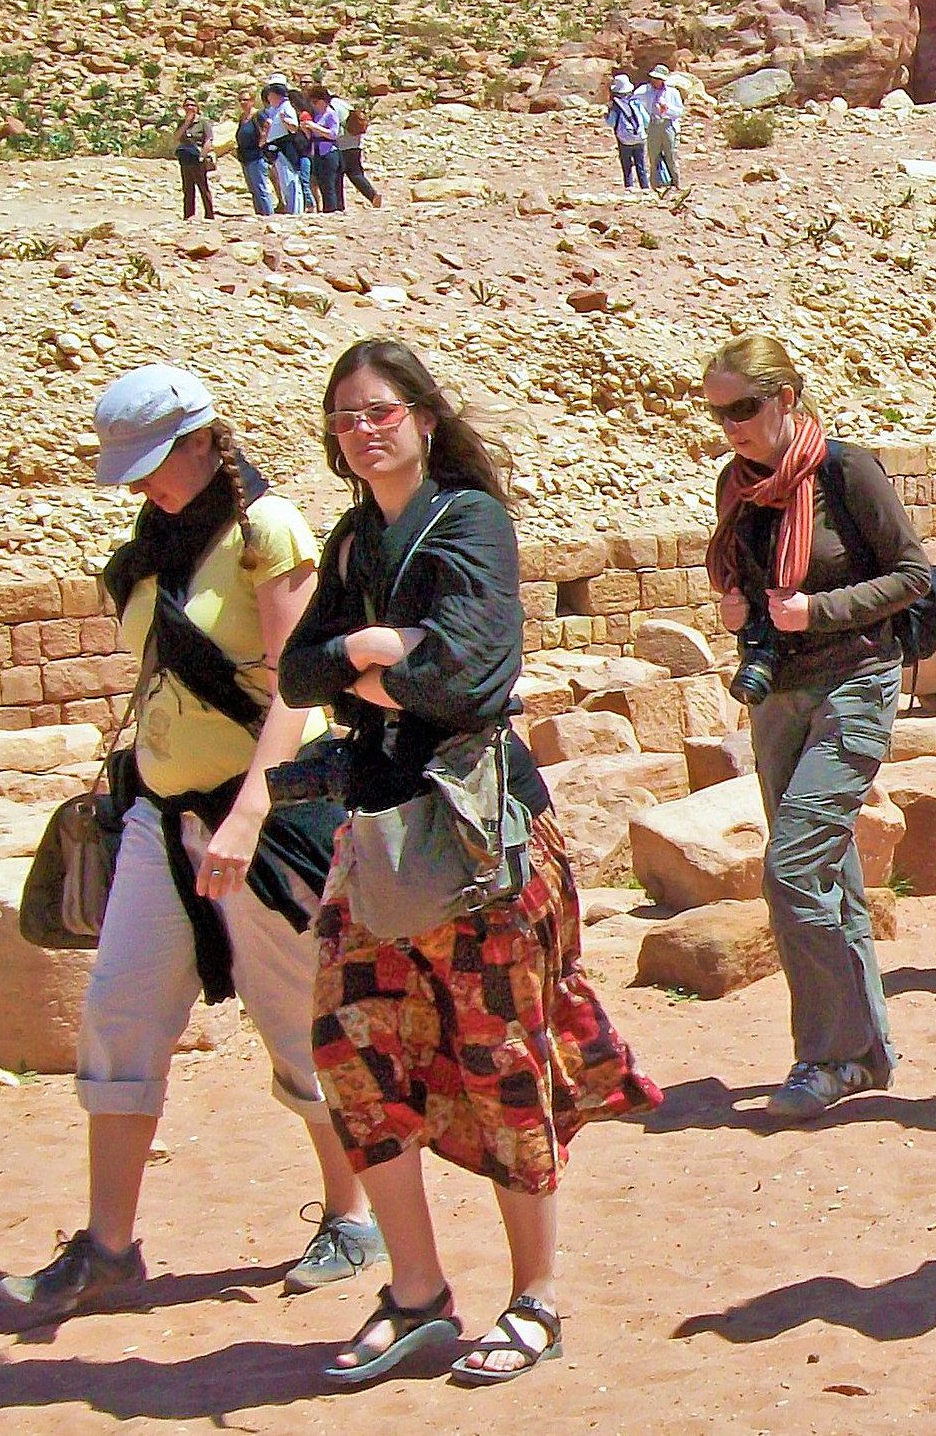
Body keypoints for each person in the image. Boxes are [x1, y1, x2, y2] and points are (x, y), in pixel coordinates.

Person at [282, 340, 659, 1384]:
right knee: (347, 1043)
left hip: (477, 838)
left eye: (381, 413)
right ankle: (415, 1292)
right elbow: (298, 668)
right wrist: (373, 654)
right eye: (347, 416)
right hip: (382, 837)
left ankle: (534, 1297)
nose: (365, 431)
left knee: (501, 1051)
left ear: (425, 419)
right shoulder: (356, 537)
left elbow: (471, 677)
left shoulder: (470, 522)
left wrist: (370, 664)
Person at [3, 366, 378, 1320]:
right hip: (159, 816)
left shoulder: (270, 530)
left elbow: (298, 687)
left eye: (151, 465)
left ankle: (353, 1213)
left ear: (205, 440)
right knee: (120, 1011)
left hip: (269, 818)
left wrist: (251, 811)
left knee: (296, 1018)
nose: (138, 487)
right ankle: (107, 1246)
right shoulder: (151, 551)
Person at [705, 333, 931, 1118]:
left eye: (745, 407)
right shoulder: (740, 485)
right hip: (778, 694)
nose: (731, 424)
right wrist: (738, 607)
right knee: (831, 876)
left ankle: (828, 1055)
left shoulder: (845, 470)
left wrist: (818, 610)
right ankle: (866, 1054)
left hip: (854, 681)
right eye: (719, 411)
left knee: (792, 869)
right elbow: (747, 579)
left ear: (787, 398)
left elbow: (913, 574)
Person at [260, 79, 304, 215]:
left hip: (285, 146)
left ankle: (295, 211)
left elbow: (294, 127)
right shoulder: (275, 109)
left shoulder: (286, 108)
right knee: (284, 181)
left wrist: (286, 121)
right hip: (277, 147)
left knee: (290, 179)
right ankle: (291, 209)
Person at [335, 93, 383, 208]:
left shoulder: (332, 107)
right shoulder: (343, 104)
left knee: (337, 176)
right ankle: (372, 195)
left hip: (342, 145)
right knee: (356, 174)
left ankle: (339, 205)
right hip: (355, 143)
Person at [303, 88, 345, 213]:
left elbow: (333, 133)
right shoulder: (316, 115)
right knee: (321, 182)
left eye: (315, 101)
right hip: (317, 151)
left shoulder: (331, 114)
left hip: (329, 151)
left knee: (330, 182)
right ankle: (329, 208)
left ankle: (332, 209)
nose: (313, 104)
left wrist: (314, 127)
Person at [174, 101, 217, 221]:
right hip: (185, 158)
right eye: (187, 105)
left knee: (203, 186)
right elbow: (176, 137)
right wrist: (186, 123)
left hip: (198, 157)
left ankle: (209, 214)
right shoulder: (182, 122)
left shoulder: (203, 122)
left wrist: (203, 155)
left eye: (192, 105)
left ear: (197, 107)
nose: (189, 108)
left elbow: (208, 139)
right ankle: (188, 214)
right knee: (187, 188)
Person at [607, 74, 649, 189]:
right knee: (641, 165)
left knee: (627, 166)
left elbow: (611, 123)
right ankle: (645, 188)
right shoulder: (636, 102)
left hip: (624, 139)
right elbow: (646, 120)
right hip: (639, 137)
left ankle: (629, 187)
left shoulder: (616, 106)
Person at [645, 66, 685, 189]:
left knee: (671, 155)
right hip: (653, 125)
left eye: (658, 78)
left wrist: (667, 109)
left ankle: (676, 184)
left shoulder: (673, 92)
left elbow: (679, 112)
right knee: (653, 156)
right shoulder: (646, 90)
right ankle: (655, 185)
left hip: (668, 125)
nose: (655, 81)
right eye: (654, 78)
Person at [234, 93, 273, 217]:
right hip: (245, 156)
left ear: (252, 100)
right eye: (240, 100)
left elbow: (269, 125)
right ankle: (259, 213)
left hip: (256, 155)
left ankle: (268, 214)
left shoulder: (258, 114)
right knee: (253, 188)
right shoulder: (242, 117)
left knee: (261, 187)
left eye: (245, 100)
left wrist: (263, 140)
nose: (242, 103)